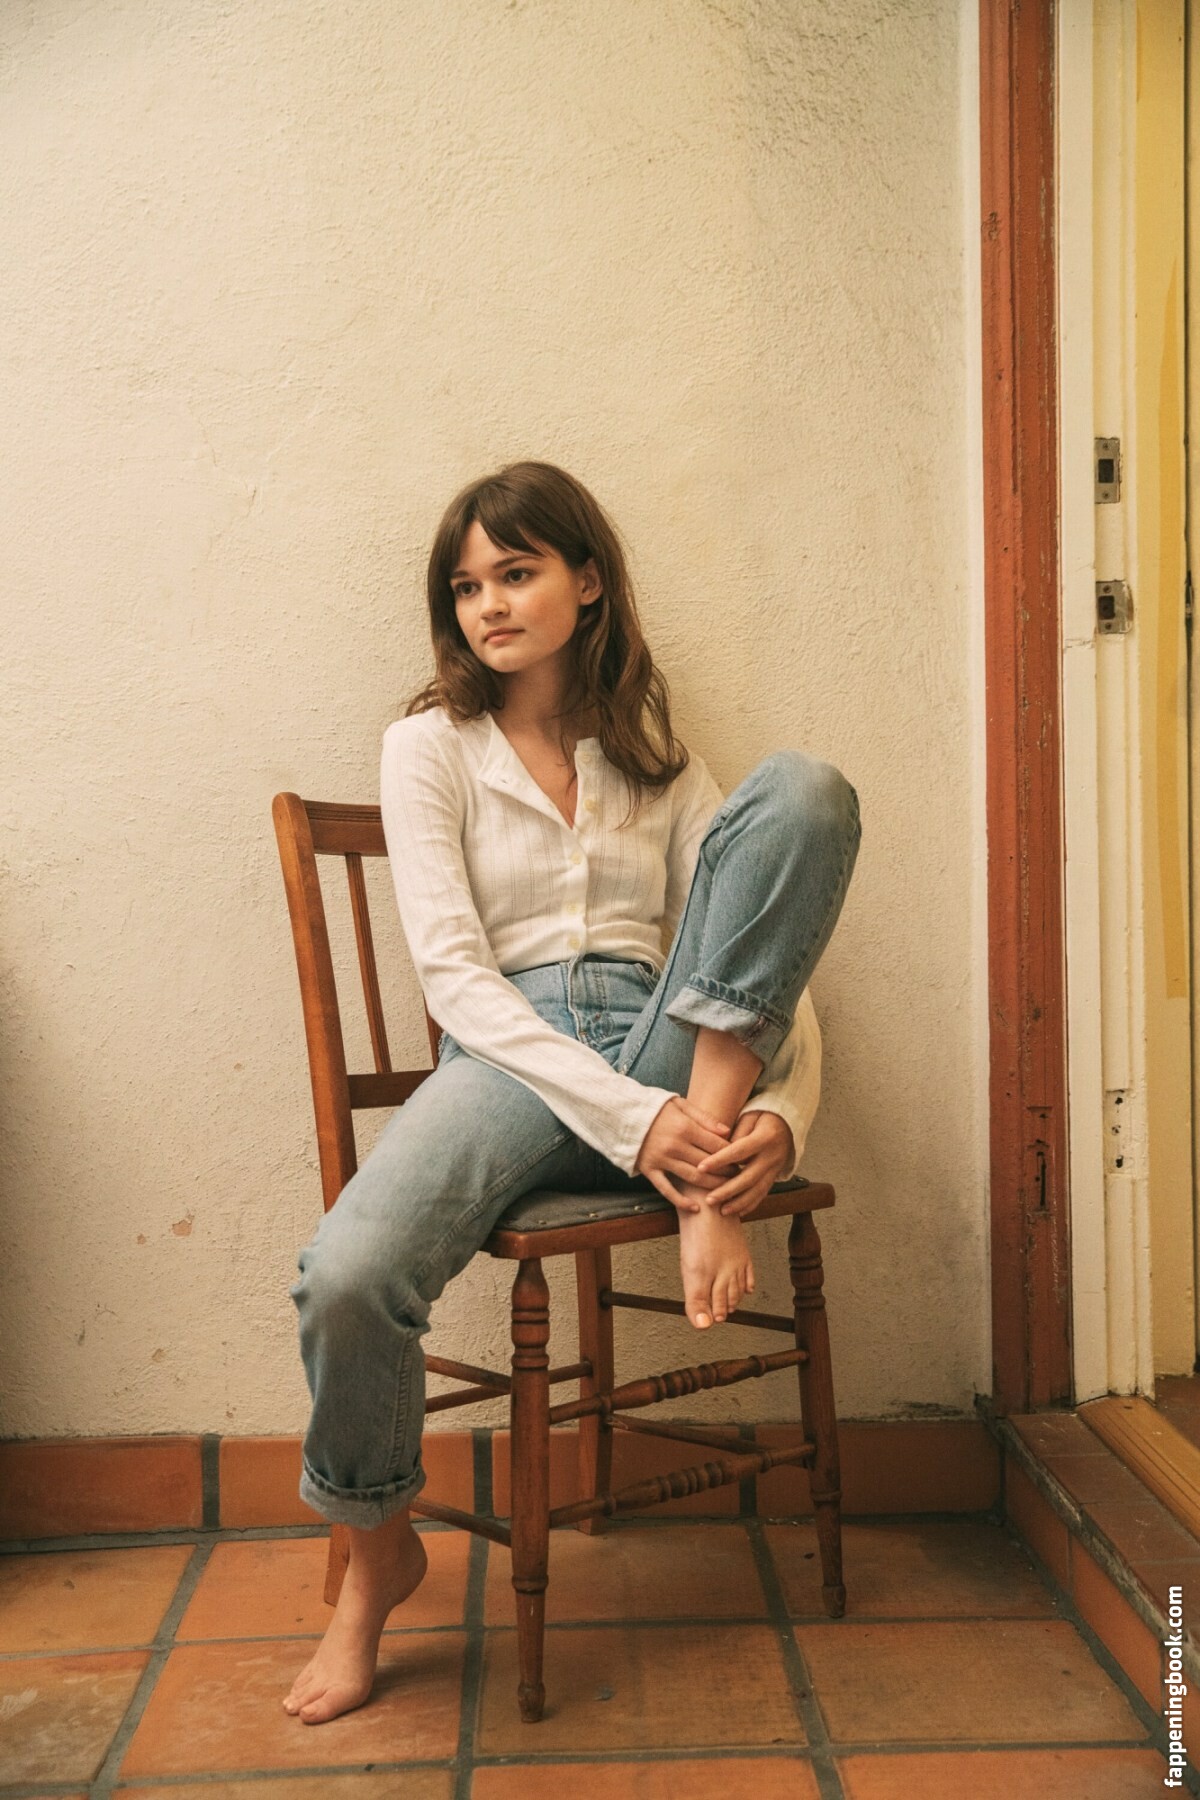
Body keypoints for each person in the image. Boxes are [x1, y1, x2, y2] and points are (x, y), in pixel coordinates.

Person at [283, 460, 861, 1724]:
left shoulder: (657, 759)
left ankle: (709, 1170)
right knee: (349, 1277)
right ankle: (375, 1564)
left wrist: (778, 1116)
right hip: (509, 1053)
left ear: (587, 581)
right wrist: (644, 1124)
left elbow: (766, 959)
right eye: (466, 585)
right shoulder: (426, 748)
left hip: (670, 1039)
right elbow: (456, 981)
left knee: (805, 794)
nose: (488, 603)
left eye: (517, 571)